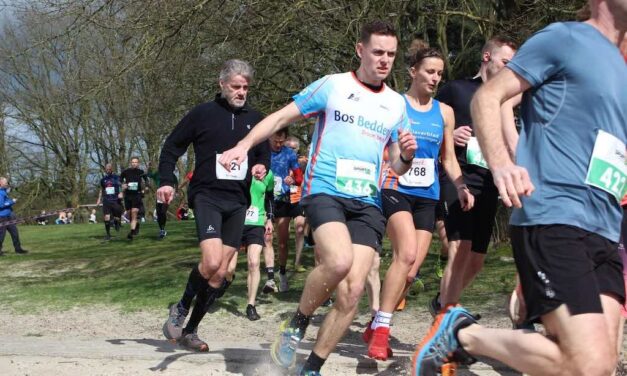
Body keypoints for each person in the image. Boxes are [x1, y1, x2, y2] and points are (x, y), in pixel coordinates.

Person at [414, 1, 627, 375]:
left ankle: (461, 334)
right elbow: (488, 97)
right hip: (556, 216)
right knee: (589, 363)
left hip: (606, 228)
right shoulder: (567, 38)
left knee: (598, 364)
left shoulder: (621, 69)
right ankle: (462, 334)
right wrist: (501, 163)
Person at [219, 20, 417, 375]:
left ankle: (312, 366)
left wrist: (406, 155)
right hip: (325, 190)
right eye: (378, 52)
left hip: (368, 202)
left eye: (391, 54)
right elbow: (281, 115)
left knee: (352, 291)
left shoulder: (396, 104)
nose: (385, 60)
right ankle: (297, 323)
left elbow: (396, 167)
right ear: (360, 50)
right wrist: (244, 144)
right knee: (338, 262)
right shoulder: (333, 86)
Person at [363, 40, 474, 361]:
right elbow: (379, 145)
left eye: (439, 73)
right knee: (405, 253)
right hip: (395, 186)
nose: (435, 78)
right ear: (413, 71)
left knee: (411, 272)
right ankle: (382, 333)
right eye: (429, 71)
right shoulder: (394, 103)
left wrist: (462, 186)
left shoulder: (445, 112)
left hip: (428, 195)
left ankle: (376, 322)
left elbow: (449, 159)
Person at [159, 59, 270, 352]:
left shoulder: (256, 119)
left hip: (238, 200)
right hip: (207, 195)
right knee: (210, 262)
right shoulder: (203, 114)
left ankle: (191, 331)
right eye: (236, 86)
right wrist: (166, 180)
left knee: (221, 274)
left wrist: (261, 166)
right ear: (222, 85)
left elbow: (263, 153)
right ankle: (181, 308)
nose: (241, 92)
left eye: (245, 87)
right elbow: (171, 146)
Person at [429, 36, 518, 315]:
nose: (509, 69)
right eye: (505, 62)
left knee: (477, 259)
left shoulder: (506, 100)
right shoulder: (457, 89)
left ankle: (441, 303)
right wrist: (449, 136)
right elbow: (427, 122)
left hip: (489, 182)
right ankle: (446, 315)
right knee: (460, 247)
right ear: (487, 57)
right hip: (458, 177)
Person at [264, 129, 303, 292]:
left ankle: (282, 272)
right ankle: (270, 278)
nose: (279, 144)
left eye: (282, 141)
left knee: (282, 241)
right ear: (270, 137)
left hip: (284, 199)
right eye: (276, 141)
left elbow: (299, 179)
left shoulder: (290, 154)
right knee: (266, 238)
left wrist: (293, 179)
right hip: (265, 196)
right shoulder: (262, 151)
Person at [241, 167, 275, 320]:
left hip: (256, 222)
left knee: (254, 263)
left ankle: (251, 304)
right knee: (227, 269)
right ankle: (226, 281)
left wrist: (269, 218)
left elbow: (269, 197)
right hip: (236, 220)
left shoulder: (268, 173)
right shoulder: (240, 167)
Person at [285, 135, 309, 273]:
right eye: (289, 148)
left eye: (294, 148)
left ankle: (297, 262)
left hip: (298, 198)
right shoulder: (279, 160)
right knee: (284, 234)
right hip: (282, 198)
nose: (292, 150)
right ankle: (282, 259)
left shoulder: (303, 162)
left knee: (300, 228)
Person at [120, 157, 148, 240]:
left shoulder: (141, 172)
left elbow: (146, 180)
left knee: (134, 212)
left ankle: (131, 233)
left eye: (136, 162)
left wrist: (145, 188)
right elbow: (119, 180)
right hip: (128, 195)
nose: (134, 163)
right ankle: (136, 225)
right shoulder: (126, 172)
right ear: (130, 163)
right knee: (129, 214)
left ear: (138, 163)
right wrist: (122, 185)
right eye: (132, 162)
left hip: (137, 195)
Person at [0, 177, 28, 255]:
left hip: (9, 217)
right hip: (2, 217)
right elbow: (1, 205)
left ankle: (18, 249)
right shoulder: (0, 193)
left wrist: (10, 201)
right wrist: (12, 202)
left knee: (15, 233)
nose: (7, 184)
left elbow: (6, 201)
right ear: (0, 183)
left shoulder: (4, 191)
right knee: (1, 235)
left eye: (7, 182)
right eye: (5, 182)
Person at [96, 163, 123, 241]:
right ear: (105, 170)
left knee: (117, 217)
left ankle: (117, 222)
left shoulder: (117, 177)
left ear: (112, 169)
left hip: (116, 200)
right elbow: (101, 189)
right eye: (106, 169)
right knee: (106, 217)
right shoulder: (103, 179)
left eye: (109, 169)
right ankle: (108, 234)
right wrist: (99, 198)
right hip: (106, 200)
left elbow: (122, 186)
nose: (108, 170)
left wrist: (121, 192)